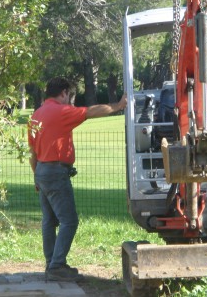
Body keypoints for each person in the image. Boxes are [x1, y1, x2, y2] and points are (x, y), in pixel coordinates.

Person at [27, 77, 127, 282]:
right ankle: (56, 266)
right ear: (63, 92)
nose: (70, 101)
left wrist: (36, 176)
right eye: (69, 96)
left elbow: (32, 152)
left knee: (49, 221)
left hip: (41, 171)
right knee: (69, 221)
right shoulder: (61, 111)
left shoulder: (35, 116)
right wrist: (118, 106)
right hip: (56, 172)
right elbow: (91, 111)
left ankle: (51, 263)